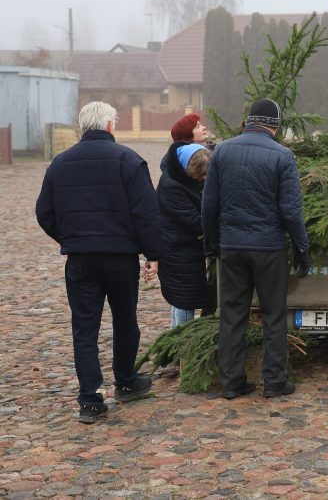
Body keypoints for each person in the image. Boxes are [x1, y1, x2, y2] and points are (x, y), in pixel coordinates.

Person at [35, 101, 163, 423]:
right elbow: (146, 214)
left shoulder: (60, 164)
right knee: (125, 320)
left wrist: (69, 237)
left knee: (84, 328)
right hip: (121, 258)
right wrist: (153, 254)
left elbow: (44, 213)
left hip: (80, 260)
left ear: (83, 127)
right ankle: (126, 380)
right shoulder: (129, 161)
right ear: (110, 126)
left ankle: (90, 399)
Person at [202, 98, 312, 400]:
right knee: (273, 315)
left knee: (232, 315)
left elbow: (209, 204)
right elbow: (291, 211)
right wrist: (302, 250)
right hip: (269, 248)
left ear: (248, 120)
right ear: (274, 125)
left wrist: (211, 245)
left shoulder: (222, 151)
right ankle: (275, 382)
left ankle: (232, 382)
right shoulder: (283, 156)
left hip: (232, 247)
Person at [157, 142, 213, 327]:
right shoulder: (171, 186)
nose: (204, 179)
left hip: (186, 248)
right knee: (184, 300)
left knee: (180, 299)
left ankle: (174, 337)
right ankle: (181, 342)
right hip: (177, 250)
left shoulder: (182, 179)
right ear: (189, 170)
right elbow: (195, 222)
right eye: (201, 175)